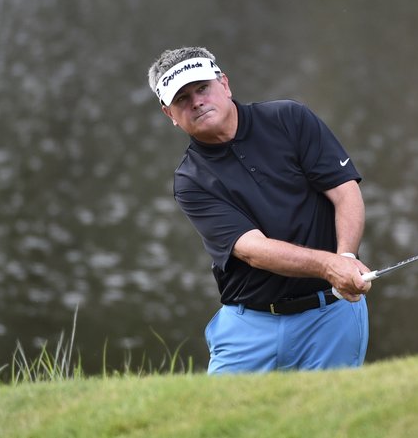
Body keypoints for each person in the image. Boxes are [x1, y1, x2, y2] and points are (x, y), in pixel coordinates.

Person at [147, 46, 371, 373]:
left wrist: (346, 259)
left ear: (224, 84)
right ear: (170, 115)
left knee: (330, 420)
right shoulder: (190, 180)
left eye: (202, 88)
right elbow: (254, 250)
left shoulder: (289, 119)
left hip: (330, 314)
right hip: (249, 325)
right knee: (220, 419)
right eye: (182, 98)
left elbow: (345, 192)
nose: (196, 101)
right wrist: (330, 265)